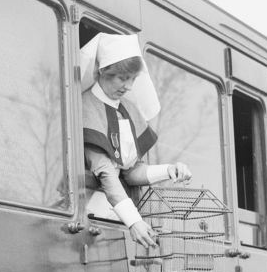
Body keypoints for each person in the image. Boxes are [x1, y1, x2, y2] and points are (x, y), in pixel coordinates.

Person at [81, 33, 191, 248]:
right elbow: (104, 170)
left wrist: (169, 170)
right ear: (103, 71)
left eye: (133, 79)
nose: (129, 86)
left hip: (119, 224)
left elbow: (131, 172)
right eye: (123, 78)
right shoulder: (85, 106)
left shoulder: (130, 109)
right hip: (88, 220)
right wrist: (134, 221)